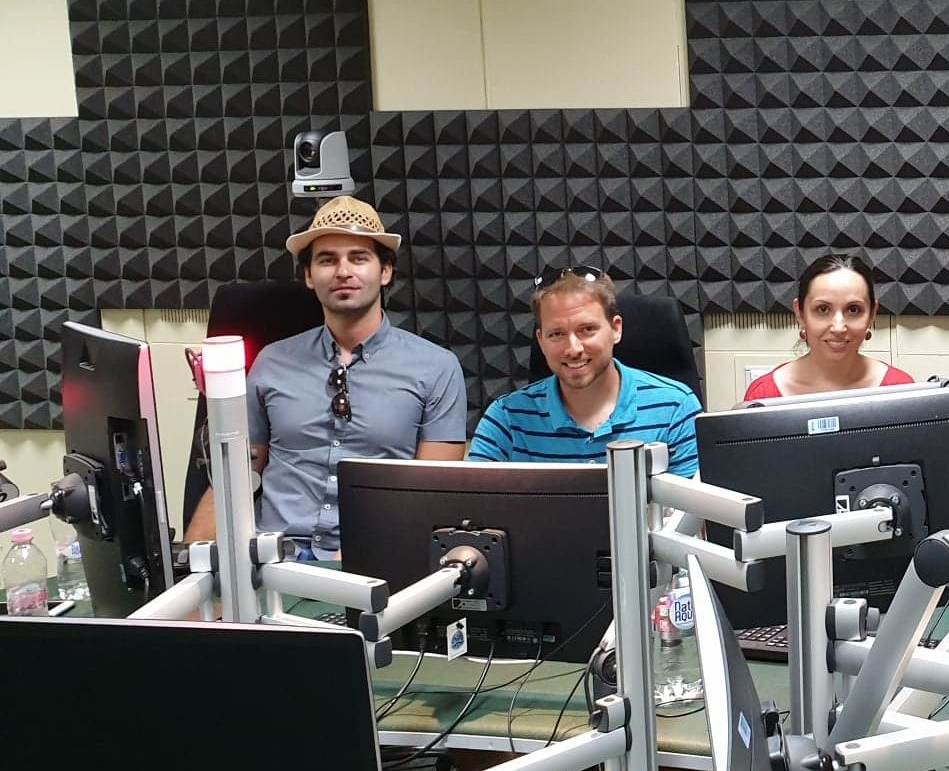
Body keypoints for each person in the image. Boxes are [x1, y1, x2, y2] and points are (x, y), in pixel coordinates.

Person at [185, 197, 466, 558]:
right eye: (327, 260)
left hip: (377, 560)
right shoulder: (271, 363)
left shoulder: (437, 368)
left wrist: (368, 551)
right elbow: (236, 477)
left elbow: (434, 496)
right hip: (275, 560)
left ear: (385, 272)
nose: (343, 271)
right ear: (308, 276)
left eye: (358, 258)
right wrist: (192, 564)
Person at [468, 266, 700, 473]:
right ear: (541, 341)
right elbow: (473, 504)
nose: (573, 348)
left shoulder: (676, 408)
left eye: (587, 329)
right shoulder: (506, 419)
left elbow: (693, 507)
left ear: (616, 329)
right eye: (556, 334)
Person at [741, 254, 914, 400]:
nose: (838, 328)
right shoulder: (762, 396)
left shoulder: (901, 391)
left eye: (853, 309)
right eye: (822, 309)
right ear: (800, 313)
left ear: (872, 313)